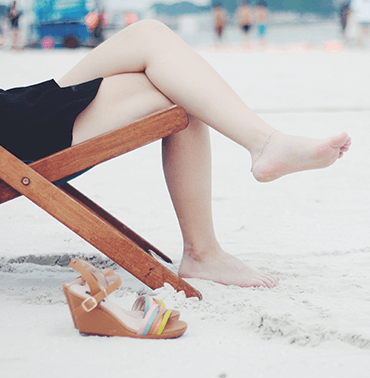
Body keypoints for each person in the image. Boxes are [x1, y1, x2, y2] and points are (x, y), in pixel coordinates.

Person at [0, 20, 351, 288]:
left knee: (151, 38)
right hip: (13, 135)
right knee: (177, 90)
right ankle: (205, 248)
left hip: (14, 112)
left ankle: (264, 148)